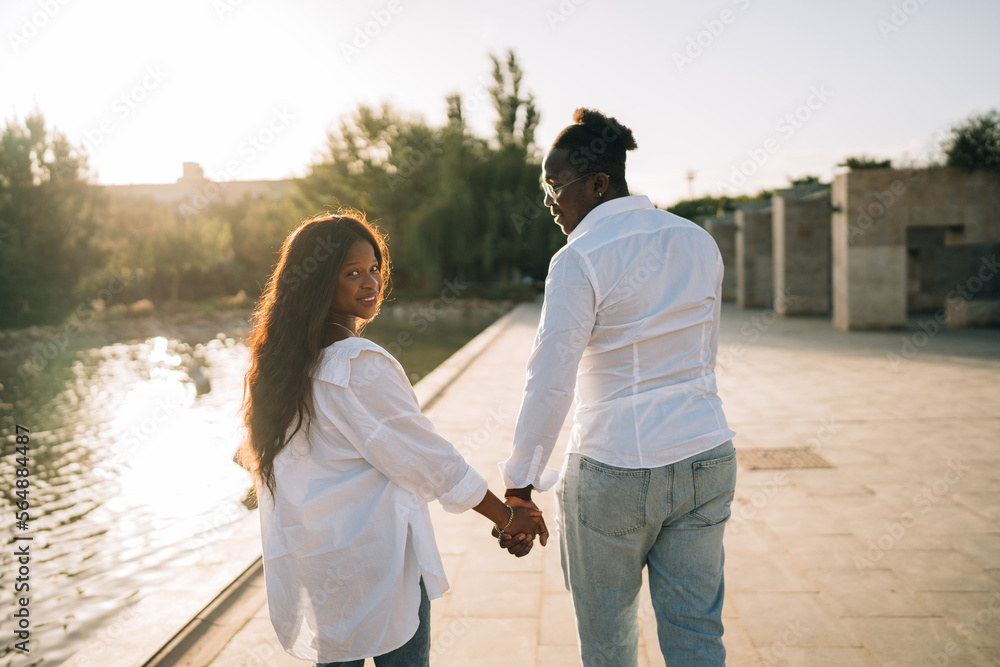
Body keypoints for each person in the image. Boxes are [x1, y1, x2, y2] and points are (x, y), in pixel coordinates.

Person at [238, 210, 544, 666]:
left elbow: (254, 455)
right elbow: (430, 461)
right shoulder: (357, 365)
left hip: (318, 559)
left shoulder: (280, 362)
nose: (371, 282)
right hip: (374, 558)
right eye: (352, 273)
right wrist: (505, 516)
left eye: (375, 268)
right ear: (321, 281)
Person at [499, 109, 737, 666]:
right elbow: (705, 356)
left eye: (555, 185)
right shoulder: (698, 240)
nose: (550, 201)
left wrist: (519, 484)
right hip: (706, 455)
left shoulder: (578, 258)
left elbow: (550, 382)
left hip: (614, 469)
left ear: (598, 182)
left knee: (608, 641)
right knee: (697, 634)